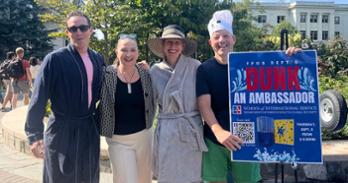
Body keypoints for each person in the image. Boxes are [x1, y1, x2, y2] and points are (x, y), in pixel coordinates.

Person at [196, 10, 301, 183]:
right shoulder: (204, 69)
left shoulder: (250, 64)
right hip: (214, 139)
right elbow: (204, 106)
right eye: (217, 37)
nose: (221, 41)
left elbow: (282, 77)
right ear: (210, 42)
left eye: (225, 36)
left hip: (246, 139)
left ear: (233, 39)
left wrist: (294, 57)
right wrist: (219, 132)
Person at [25, 11, 104, 183]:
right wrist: (34, 136)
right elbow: (38, 99)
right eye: (73, 28)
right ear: (67, 32)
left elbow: (106, 91)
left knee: (88, 177)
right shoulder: (54, 60)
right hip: (62, 131)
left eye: (83, 28)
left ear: (90, 30)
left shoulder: (97, 59)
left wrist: (135, 70)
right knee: (60, 178)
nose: (78, 32)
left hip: (88, 131)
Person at [148, 24, 207, 183]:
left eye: (177, 42)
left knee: (192, 176)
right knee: (169, 175)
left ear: (183, 45)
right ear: (163, 45)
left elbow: (206, 98)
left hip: (191, 128)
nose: (173, 46)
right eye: (169, 42)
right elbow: (149, 105)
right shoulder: (154, 71)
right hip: (167, 130)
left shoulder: (196, 66)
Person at [99, 34, 155, 183]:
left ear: (138, 52)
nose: (128, 54)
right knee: (125, 179)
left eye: (132, 50)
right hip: (117, 139)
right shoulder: (107, 74)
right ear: (116, 52)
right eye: (124, 50)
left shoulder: (146, 74)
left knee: (144, 179)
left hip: (145, 136)